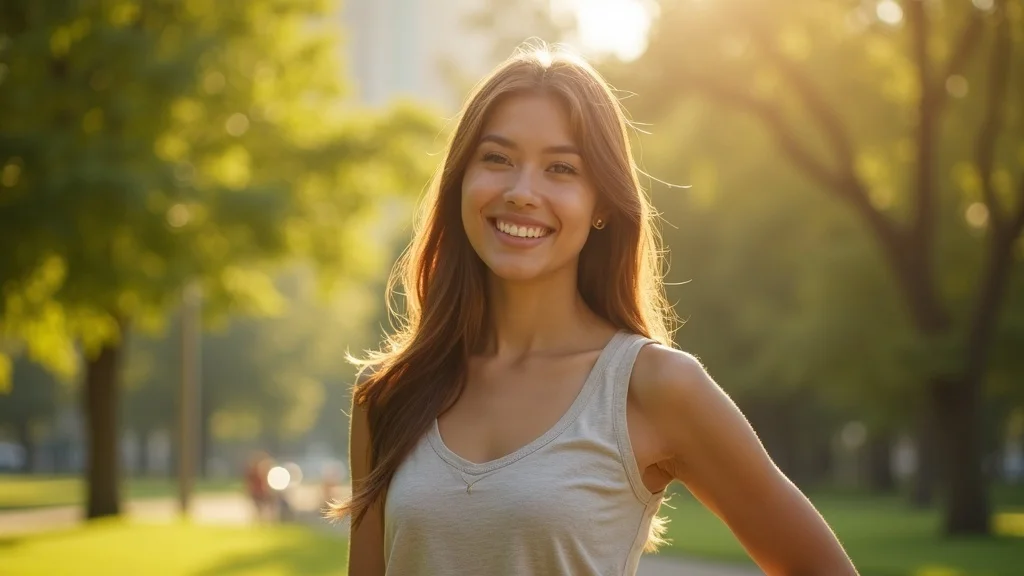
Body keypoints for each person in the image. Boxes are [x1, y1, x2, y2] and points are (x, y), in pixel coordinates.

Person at [328, 45, 858, 576]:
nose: (522, 192)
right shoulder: (389, 393)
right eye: (497, 158)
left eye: (561, 168)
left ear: (602, 203)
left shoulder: (653, 386)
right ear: (460, 181)